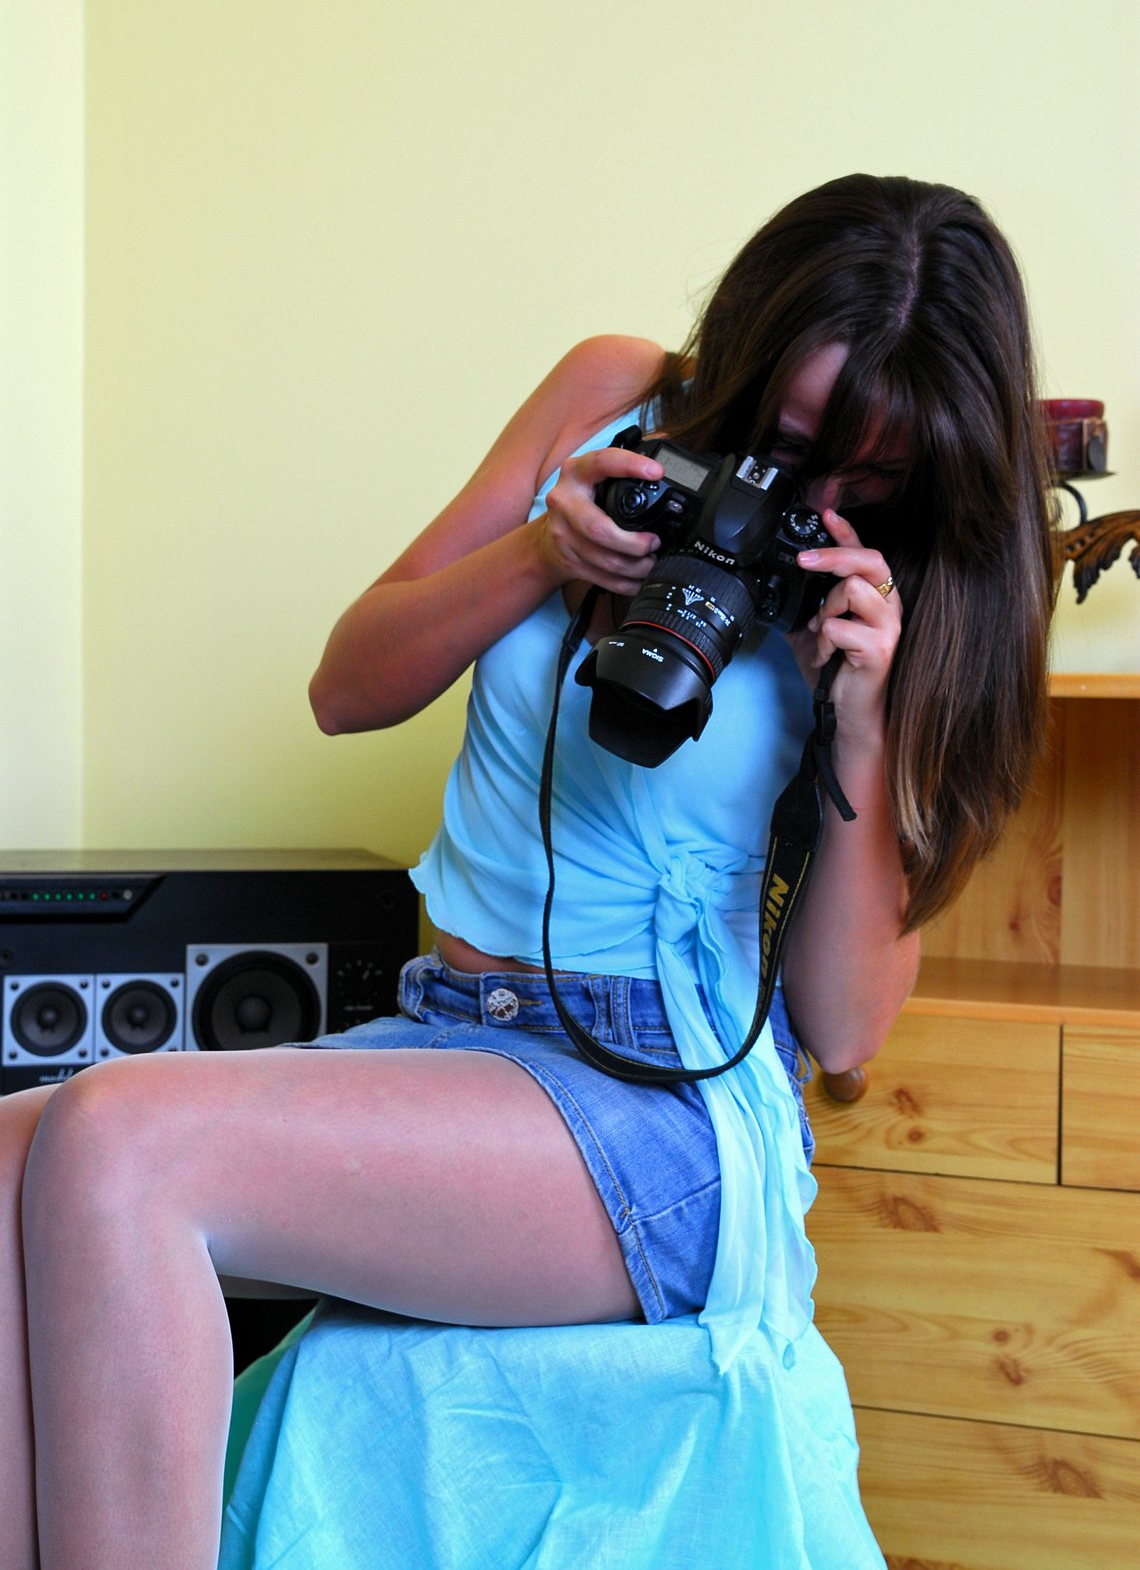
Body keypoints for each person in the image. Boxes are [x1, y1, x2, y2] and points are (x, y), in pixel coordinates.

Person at [0, 174, 1055, 1570]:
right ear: (745, 354)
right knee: (9, 1161)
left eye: (866, 481)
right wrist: (542, 549)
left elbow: (848, 1028)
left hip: (664, 1105)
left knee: (121, 1145)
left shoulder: (912, 599)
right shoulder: (612, 394)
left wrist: (862, 717)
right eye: (791, 445)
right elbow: (345, 688)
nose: (807, 498)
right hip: (452, 1032)